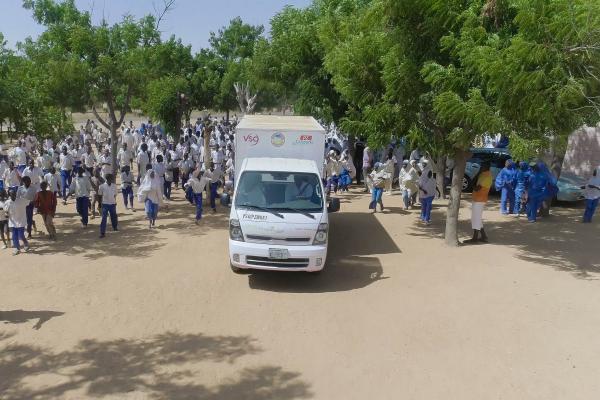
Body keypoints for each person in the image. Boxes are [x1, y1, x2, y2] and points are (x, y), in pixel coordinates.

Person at [463, 162, 492, 244]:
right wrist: (479, 172)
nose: (481, 167)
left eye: (482, 166)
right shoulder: (483, 174)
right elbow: (474, 182)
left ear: (487, 167)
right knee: (477, 218)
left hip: (480, 199)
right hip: (477, 198)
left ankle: (475, 238)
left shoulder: (487, 177)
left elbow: (476, 188)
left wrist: (478, 174)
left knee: (475, 218)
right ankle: (484, 236)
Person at [6, 188, 29, 255]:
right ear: (9, 194)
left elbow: (29, 201)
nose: (13, 195)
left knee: (21, 235)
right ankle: (17, 248)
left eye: (14, 193)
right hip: (12, 222)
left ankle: (25, 243)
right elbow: (5, 211)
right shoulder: (7, 202)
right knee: (14, 236)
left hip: (21, 221)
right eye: (11, 194)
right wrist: (6, 214)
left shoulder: (22, 200)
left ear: (16, 194)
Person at [98, 174, 118, 238]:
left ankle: (115, 227)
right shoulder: (102, 186)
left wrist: (114, 202)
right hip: (105, 204)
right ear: (107, 179)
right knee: (104, 218)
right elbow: (100, 195)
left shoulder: (114, 186)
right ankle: (102, 232)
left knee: (114, 216)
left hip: (112, 203)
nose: (111, 180)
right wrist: (99, 204)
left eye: (111, 179)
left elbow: (115, 195)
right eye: (110, 179)